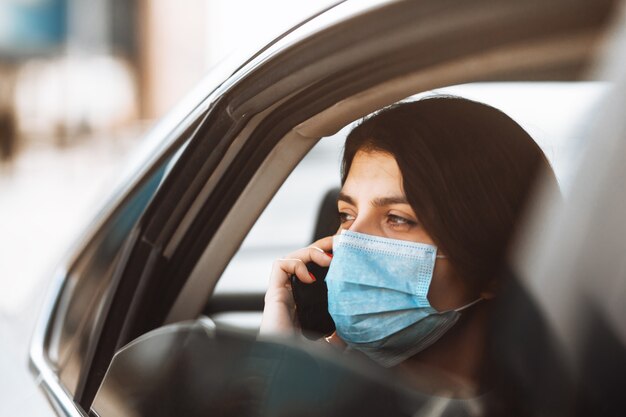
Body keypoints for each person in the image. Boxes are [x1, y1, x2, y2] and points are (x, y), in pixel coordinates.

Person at [259, 96, 556, 397]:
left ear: (495, 261)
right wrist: (280, 363)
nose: (349, 242)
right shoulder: (331, 386)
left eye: (398, 219)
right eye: (346, 215)